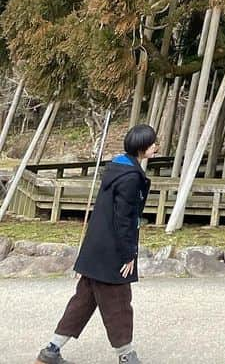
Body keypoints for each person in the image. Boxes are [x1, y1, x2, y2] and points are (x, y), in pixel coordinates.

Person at [37, 124, 158, 364]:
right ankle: (126, 355)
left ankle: (51, 349)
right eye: (153, 143)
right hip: (110, 252)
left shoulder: (117, 168)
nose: (156, 146)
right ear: (142, 146)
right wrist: (128, 255)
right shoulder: (130, 177)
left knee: (83, 301)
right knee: (119, 303)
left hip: (96, 248)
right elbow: (124, 220)